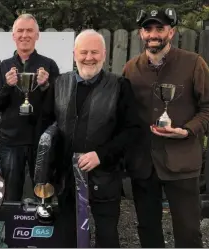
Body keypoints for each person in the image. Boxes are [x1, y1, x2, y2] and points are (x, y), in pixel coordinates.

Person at [42, 29, 143, 247]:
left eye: (95, 52)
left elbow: (133, 130)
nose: (89, 58)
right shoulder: (59, 84)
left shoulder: (120, 86)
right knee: (69, 237)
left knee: (107, 237)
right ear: (74, 53)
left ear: (104, 54)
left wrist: (101, 155)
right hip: (66, 179)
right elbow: (49, 128)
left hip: (104, 177)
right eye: (84, 52)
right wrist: (48, 172)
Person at [122, 8, 209, 248]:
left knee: (189, 231)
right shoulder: (130, 68)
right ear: (141, 33)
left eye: (159, 28)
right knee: (147, 229)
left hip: (182, 163)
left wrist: (188, 130)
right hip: (144, 164)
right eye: (148, 29)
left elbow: (208, 108)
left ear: (171, 32)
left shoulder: (193, 64)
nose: (153, 34)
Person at [0, 13, 60, 201]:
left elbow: (58, 106)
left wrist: (46, 86)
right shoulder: (3, 66)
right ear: (13, 36)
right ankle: (12, 229)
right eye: (20, 31)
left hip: (42, 140)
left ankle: (43, 229)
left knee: (43, 194)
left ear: (37, 35)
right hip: (11, 140)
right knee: (10, 194)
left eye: (29, 30)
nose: (24, 35)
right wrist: (7, 86)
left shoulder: (49, 66)